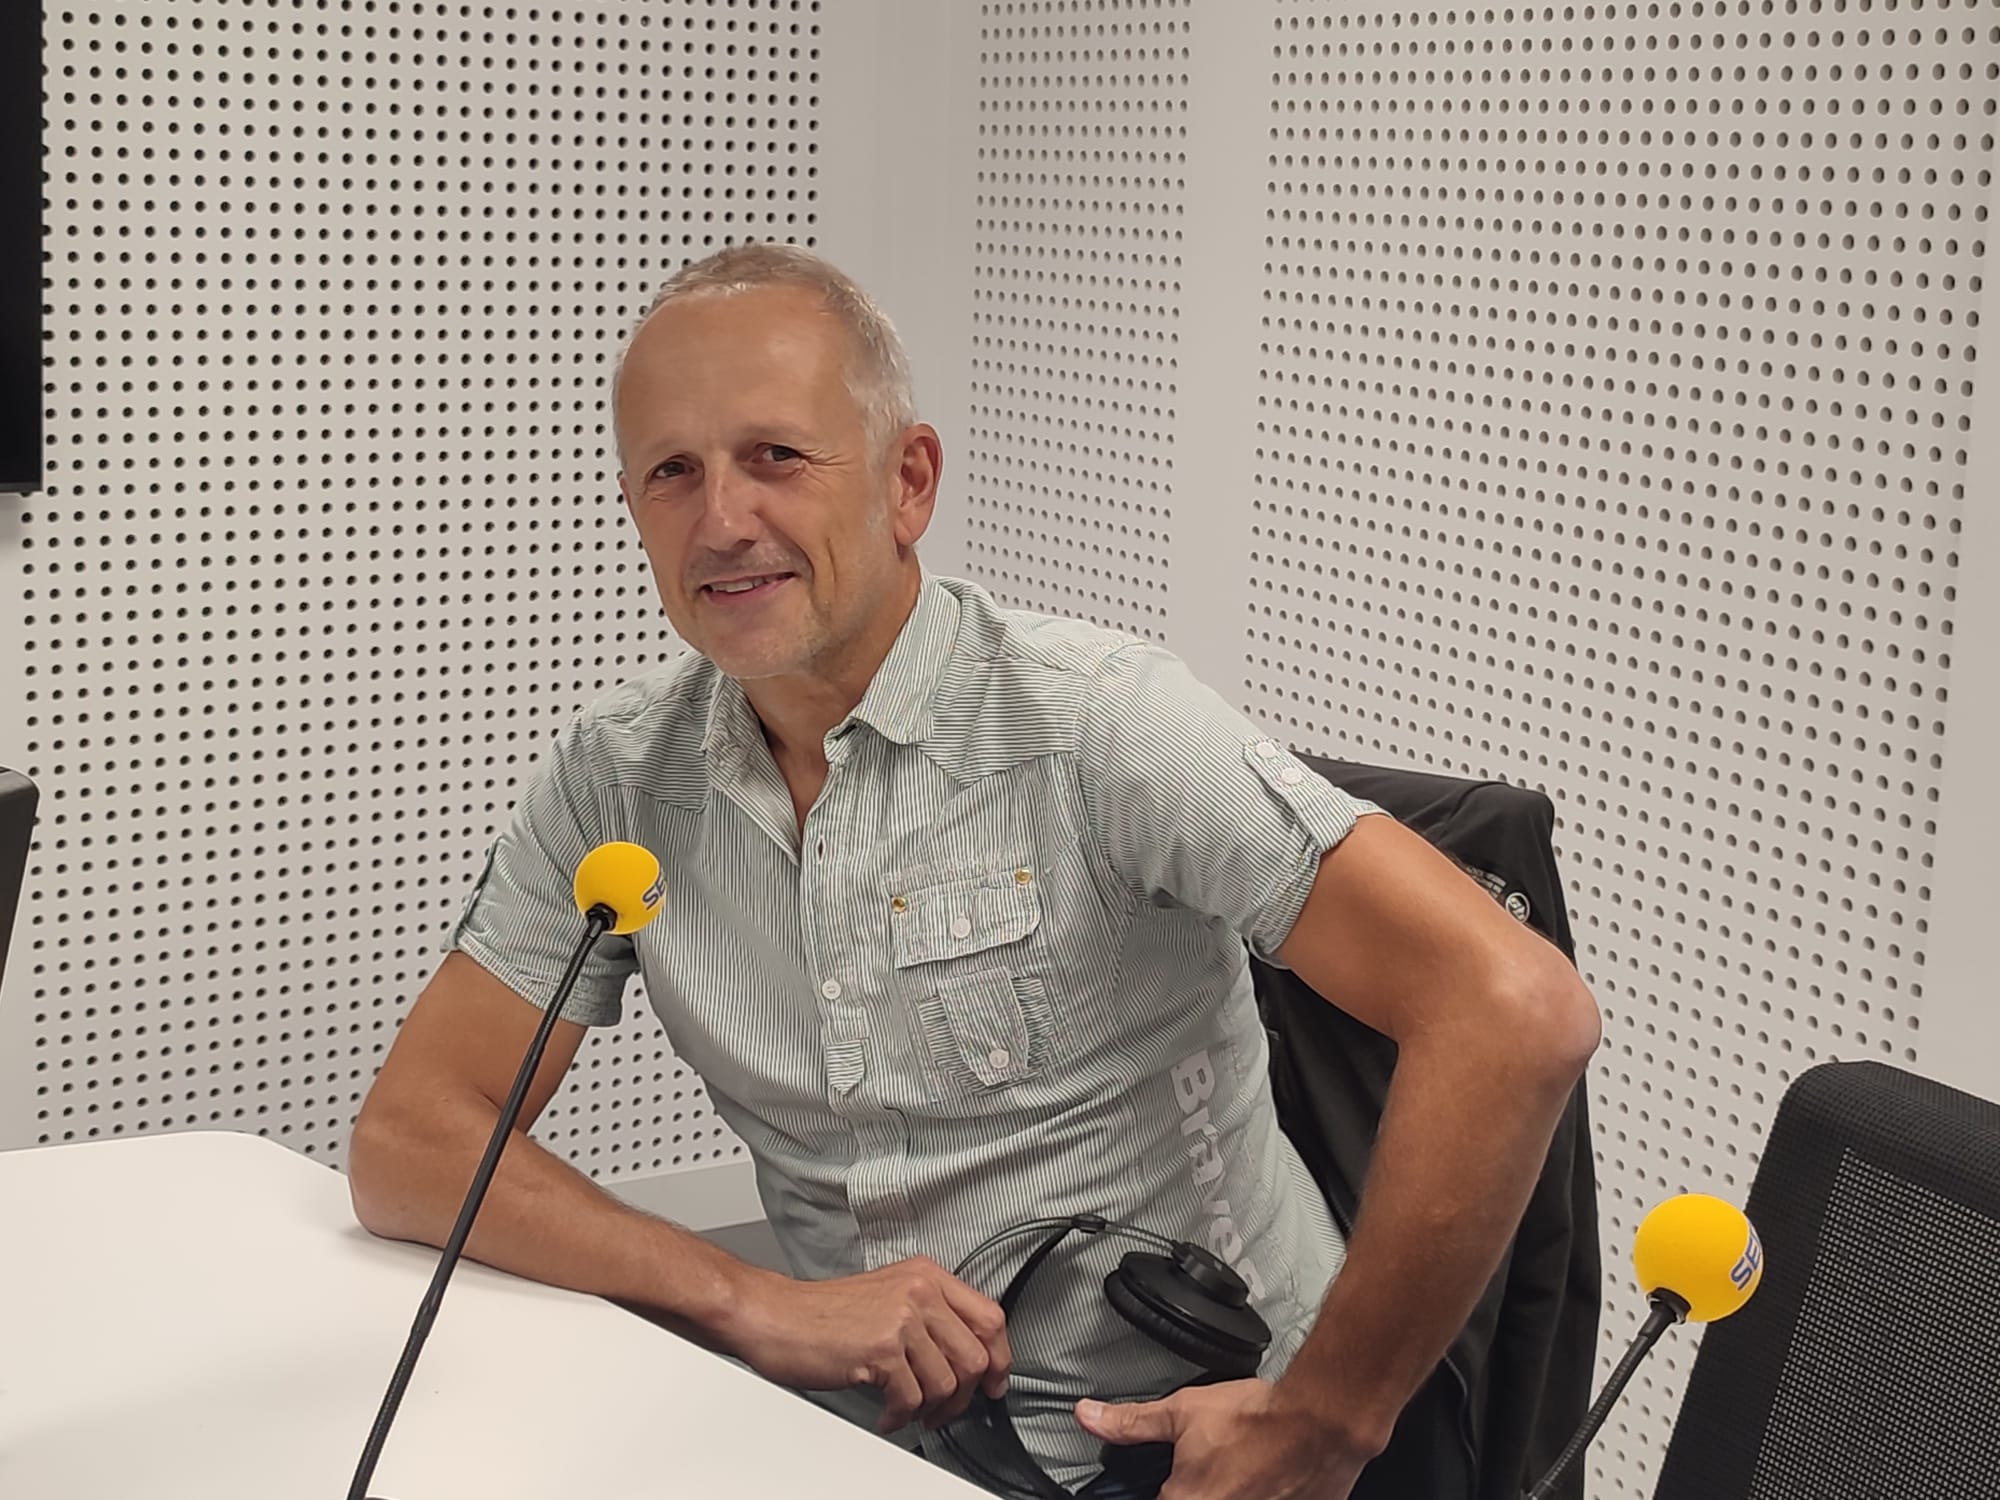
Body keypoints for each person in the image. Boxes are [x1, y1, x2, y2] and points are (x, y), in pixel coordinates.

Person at [347, 242, 1601, 1500]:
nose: (722, 520)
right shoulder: (617, 779)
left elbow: (1513, 1011)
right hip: (875, 1444)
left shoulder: (1100, 724)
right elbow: (412, 1137)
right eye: (671, 473)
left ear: (908, 483)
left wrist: (1326, 1420)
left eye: (775, 456)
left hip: (1201, 1453)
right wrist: (753, 1300)